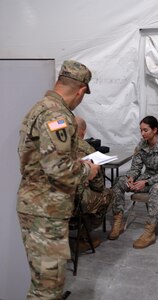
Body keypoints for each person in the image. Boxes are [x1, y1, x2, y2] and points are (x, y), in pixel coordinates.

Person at [17, 60, 100, 299]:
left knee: (43, 283)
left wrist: (76, 164)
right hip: (46, 211)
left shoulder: (38, 108)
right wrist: (88, 171)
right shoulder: (58, 115)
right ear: (81, 90)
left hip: (37, 206)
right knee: (47, 290)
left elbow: (36, 160)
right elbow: (58, 167)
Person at [108, 115, 158, 249]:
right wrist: (131, 177)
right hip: (148, 179)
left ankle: (149, 233)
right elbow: (136, 167)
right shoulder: (142, 145)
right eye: (141, 130)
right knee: (119, 181)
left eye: (145, 130)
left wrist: (146, 182)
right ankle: (118, 221)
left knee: (157, 188)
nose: (142, 133)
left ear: (155, 130)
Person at [74, 116, 114, 242]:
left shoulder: (57, 144)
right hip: (76, 202)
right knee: (109, 195)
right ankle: (84, 235)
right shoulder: (87, 149)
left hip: (55, 200)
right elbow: (98, 184)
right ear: (83, 132)